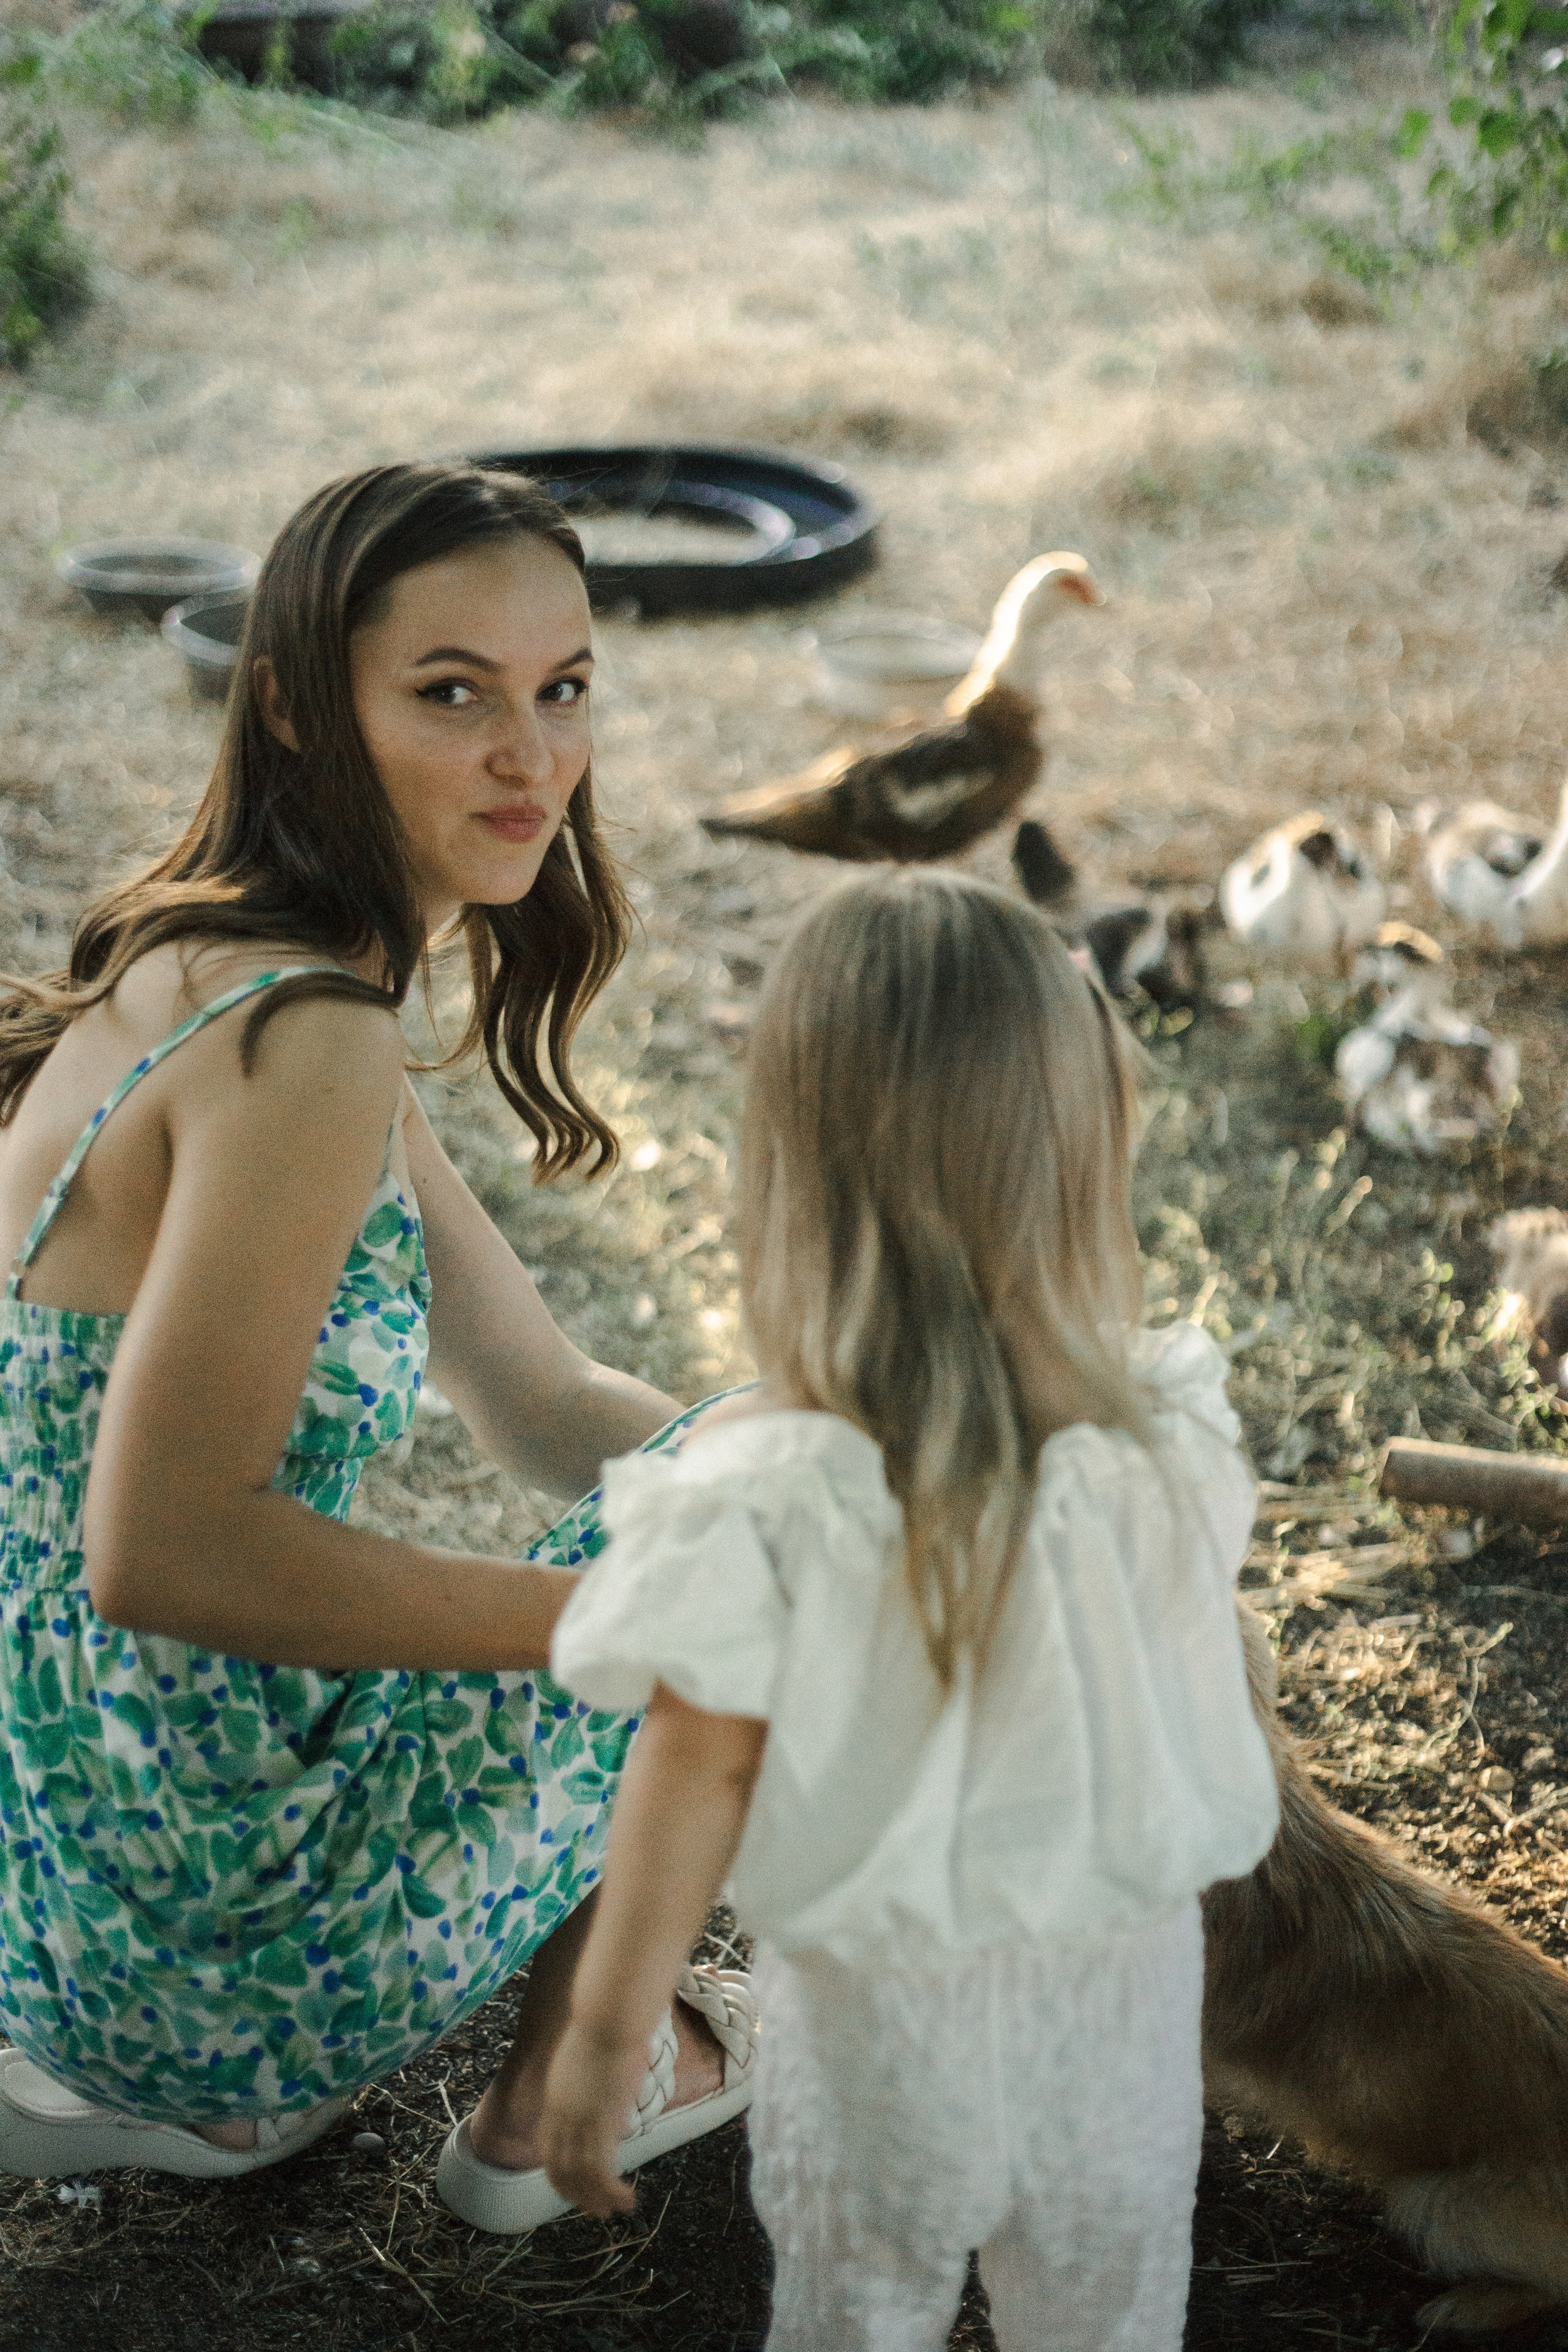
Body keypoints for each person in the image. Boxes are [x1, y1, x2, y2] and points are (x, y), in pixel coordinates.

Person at [0, 460, 756, 2224]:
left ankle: (202, 2096)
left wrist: (765, 1477)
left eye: (562, 688)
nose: (532, 758)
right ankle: (567, 2105)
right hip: (208, 1948)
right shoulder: (305, 1044)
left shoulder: (225, 970)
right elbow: (161, 1549)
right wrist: (646, 1614)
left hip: (74, 1904)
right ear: (291, 705)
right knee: (755, 1533)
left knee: (769, 1475)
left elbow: (548, 1403)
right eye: (451, 693)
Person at [538, 869, 1282, 2352]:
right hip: (1117, 2046)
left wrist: (608, 2031)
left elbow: (693, 1772)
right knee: (1109, 2318)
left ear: (792, 1180)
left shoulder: (770, 1493)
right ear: (1086, 1150)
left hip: (879, 2052)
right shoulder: (1166, 1440)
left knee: (850, 2318)